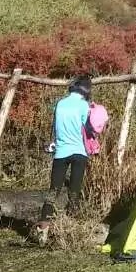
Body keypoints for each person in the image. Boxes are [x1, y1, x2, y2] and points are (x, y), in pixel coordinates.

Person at [44, 75, 94, 216]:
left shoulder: (60, 103)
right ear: (86, 91)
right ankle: (71, 221)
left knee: (54, 190)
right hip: (80, 152)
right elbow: (89, 129)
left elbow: (55, 125)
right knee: (74, 190)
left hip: (61, 151)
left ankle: (43, 224)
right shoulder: (84, 105)